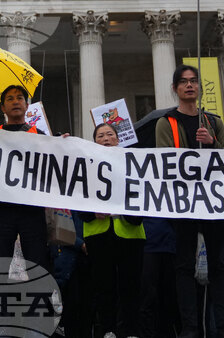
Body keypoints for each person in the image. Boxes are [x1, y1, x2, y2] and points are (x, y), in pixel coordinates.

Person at [153, 65, 224, 338]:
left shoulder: (213, 122)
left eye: (194, 81)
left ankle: (223, 328)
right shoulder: (166, 122)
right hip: (183, 203)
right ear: (175, 88)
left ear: (199, 88)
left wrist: (211, 144)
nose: (190, 85)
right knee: (184, 266)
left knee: (220, 265)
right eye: (184, 82)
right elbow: (164, 161)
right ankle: (190, 328)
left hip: (213, 202)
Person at [0, 84, 50, 270]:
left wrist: (65, 146)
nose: (15, 101)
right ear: (2, 108)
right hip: (0, 210)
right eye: (10, 98)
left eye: (19, 98)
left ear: (26, 105)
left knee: (36, 263)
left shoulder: (41, 137)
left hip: (31, 209)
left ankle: (38, 300)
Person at [79, 122, 144, 338]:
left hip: (129, 233)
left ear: (118, 139)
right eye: (100, 135)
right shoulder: (86, 167)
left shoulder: (132, 164)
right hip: (98, 235)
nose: (106, 138)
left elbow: (142, 196)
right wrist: (92, 213)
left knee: (131, 286)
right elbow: (77, 200)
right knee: (104, 287)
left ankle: (132, 330)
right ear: (94, 141)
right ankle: (108, 330)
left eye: (110, 134)